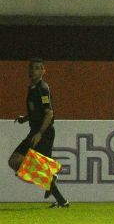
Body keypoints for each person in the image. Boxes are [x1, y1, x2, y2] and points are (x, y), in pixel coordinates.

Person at [8, 59, 69, 208]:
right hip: (36, 131)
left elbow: (49, 113)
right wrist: (25, 118)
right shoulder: (33, 88)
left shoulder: (42, 88)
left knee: (16, 160)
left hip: (43, 132)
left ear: (43, 71)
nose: (32, 71)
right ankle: (60, 198)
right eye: (31, 68)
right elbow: (37, 111)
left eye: (37, 68)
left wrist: (40, 133)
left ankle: (52, 183)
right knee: (20, 162)